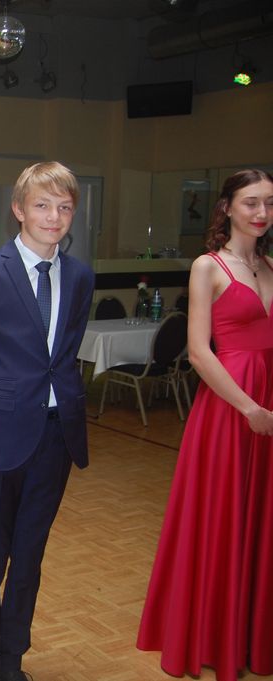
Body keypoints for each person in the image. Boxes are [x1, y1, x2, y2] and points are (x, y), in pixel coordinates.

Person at [0, 161, 94, 681]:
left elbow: (65, 354)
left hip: (56, 434)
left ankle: (12, 657)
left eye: (64, 207)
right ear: (18, 209)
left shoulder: (80, 276)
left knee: (29, 555)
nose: (53, 217)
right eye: (42, 205)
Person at [137, 169, 273, 681]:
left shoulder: (271, 266)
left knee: (261, 520)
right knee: (223, 517)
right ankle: (212, 635)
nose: (262, 213)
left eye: (270, 203)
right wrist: (249, 409)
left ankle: (252, 635)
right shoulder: (208, 266)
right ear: (227, 207)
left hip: (269, 400)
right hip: (229, 407)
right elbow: (198, 352)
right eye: (251, 202)